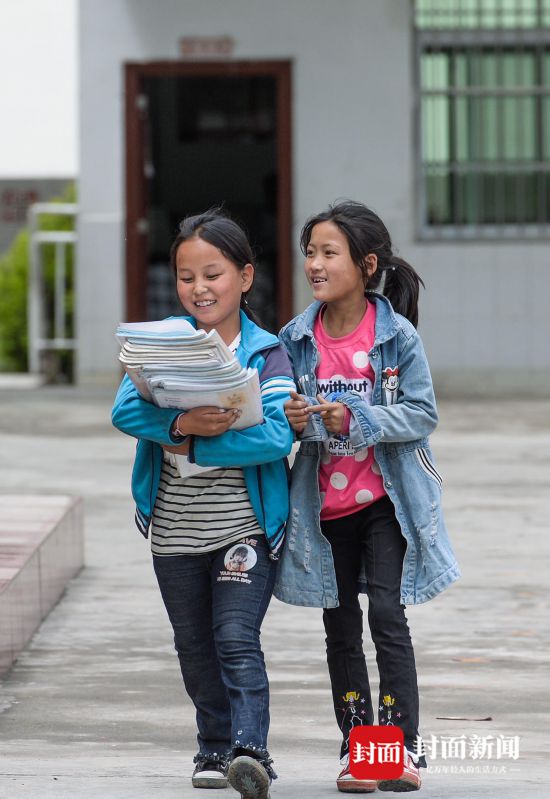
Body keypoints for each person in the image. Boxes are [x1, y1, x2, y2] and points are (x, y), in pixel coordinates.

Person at [274, 200, 460, 794]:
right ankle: (360, 751)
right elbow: (278, 420)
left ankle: (397, 750)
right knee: (340, 627)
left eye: (329, 253)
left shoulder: (396, 336)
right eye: (310, 252)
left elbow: (422, 413)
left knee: (386, 615)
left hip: (386, 502)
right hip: (324, 512)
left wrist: (352, 418)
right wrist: (296, 419)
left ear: (366, 263)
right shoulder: (295, 338)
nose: (315, 264)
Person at [112, 209, 295, 799]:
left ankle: (251, 750)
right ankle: (213, 748)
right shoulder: (160, 341)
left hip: (243, 526)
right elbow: (125, 411)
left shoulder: (268, 354)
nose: (200, 288)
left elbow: (275, 435)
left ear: (245, 276)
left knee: (236, 637)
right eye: (187, 277)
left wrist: (199, 438)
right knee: (193, 646)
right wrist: (182, 424)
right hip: (174, 530)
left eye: (213, 274)